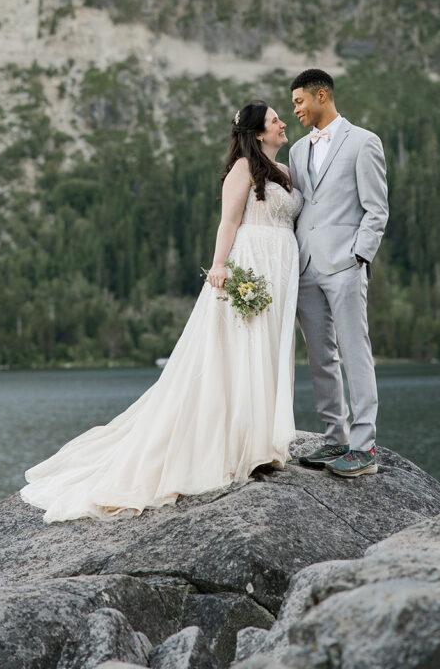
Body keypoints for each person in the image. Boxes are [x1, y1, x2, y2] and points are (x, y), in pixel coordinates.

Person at [20, 102, 302, 522]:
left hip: (281, 268)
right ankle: (239, 445)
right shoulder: (243, 168)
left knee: (267, 352)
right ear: (259, 132)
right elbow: (228, 223)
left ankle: (261, 439)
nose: (282, 123)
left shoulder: (284, 171)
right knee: (241, 351)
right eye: (275, 119)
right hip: (252, 264)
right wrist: (220, 266)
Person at [289, 69, 388, 478]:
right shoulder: (296, 151)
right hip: (306, 267)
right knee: (320, 355)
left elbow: (376, 209)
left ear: (322, 95)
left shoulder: (363, 142)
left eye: (299, 101)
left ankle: (364, 447)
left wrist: (358, 257)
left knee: (354, 350)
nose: (295, 109)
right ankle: (335, 438)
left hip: (345, 265)